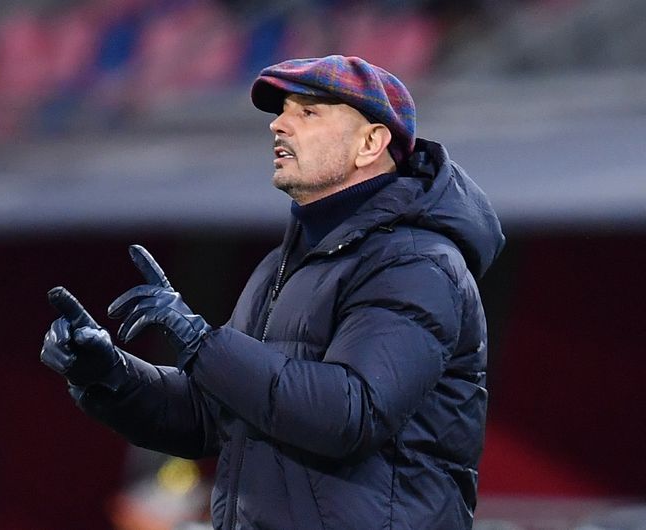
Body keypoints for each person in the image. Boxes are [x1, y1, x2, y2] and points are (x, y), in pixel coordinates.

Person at [41, 55, 505, 529]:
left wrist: (204, 344)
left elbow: (350, 413)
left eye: (308, 112)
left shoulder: (415, 262)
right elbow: (217, 418)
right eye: (282, 111)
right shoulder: (284, 265)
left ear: (371, 142)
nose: (279, 125)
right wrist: (111, 375)